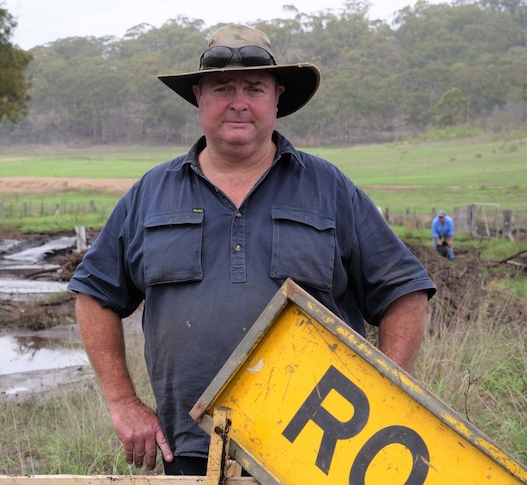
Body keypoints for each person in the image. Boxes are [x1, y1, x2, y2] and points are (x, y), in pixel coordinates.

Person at [67, 24, 436, 476]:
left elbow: (404, 291)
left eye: (254, 88)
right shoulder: (150, 195)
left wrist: (384, 396)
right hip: (191, 452)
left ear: (276, 98)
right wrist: (123, 402)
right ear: (199, 98)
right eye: (222, 87)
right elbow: (94, 295)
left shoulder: (330, 189)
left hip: (317, 458)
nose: (238, 101)